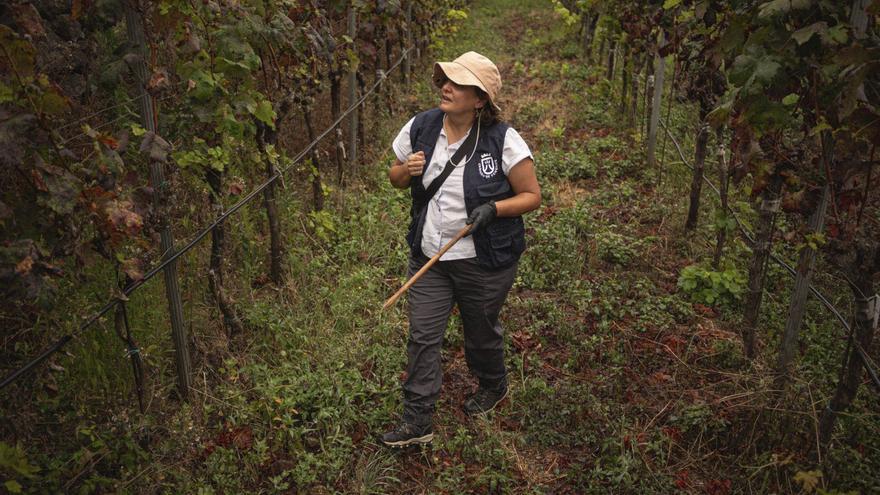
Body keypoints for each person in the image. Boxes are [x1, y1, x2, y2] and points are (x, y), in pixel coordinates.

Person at [381, 51, 541, 447]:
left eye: (458, 84)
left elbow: (532, 196)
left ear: (480, 99)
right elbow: (395, 177)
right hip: (430, 256)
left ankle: (493, 384)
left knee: (480, 332)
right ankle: (417, 421)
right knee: (423, 336)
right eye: (445, 80)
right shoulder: (421, 126)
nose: (446, 87)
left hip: (482, 259)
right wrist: (407, 170)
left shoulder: (503, 140)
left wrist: (495, 208)